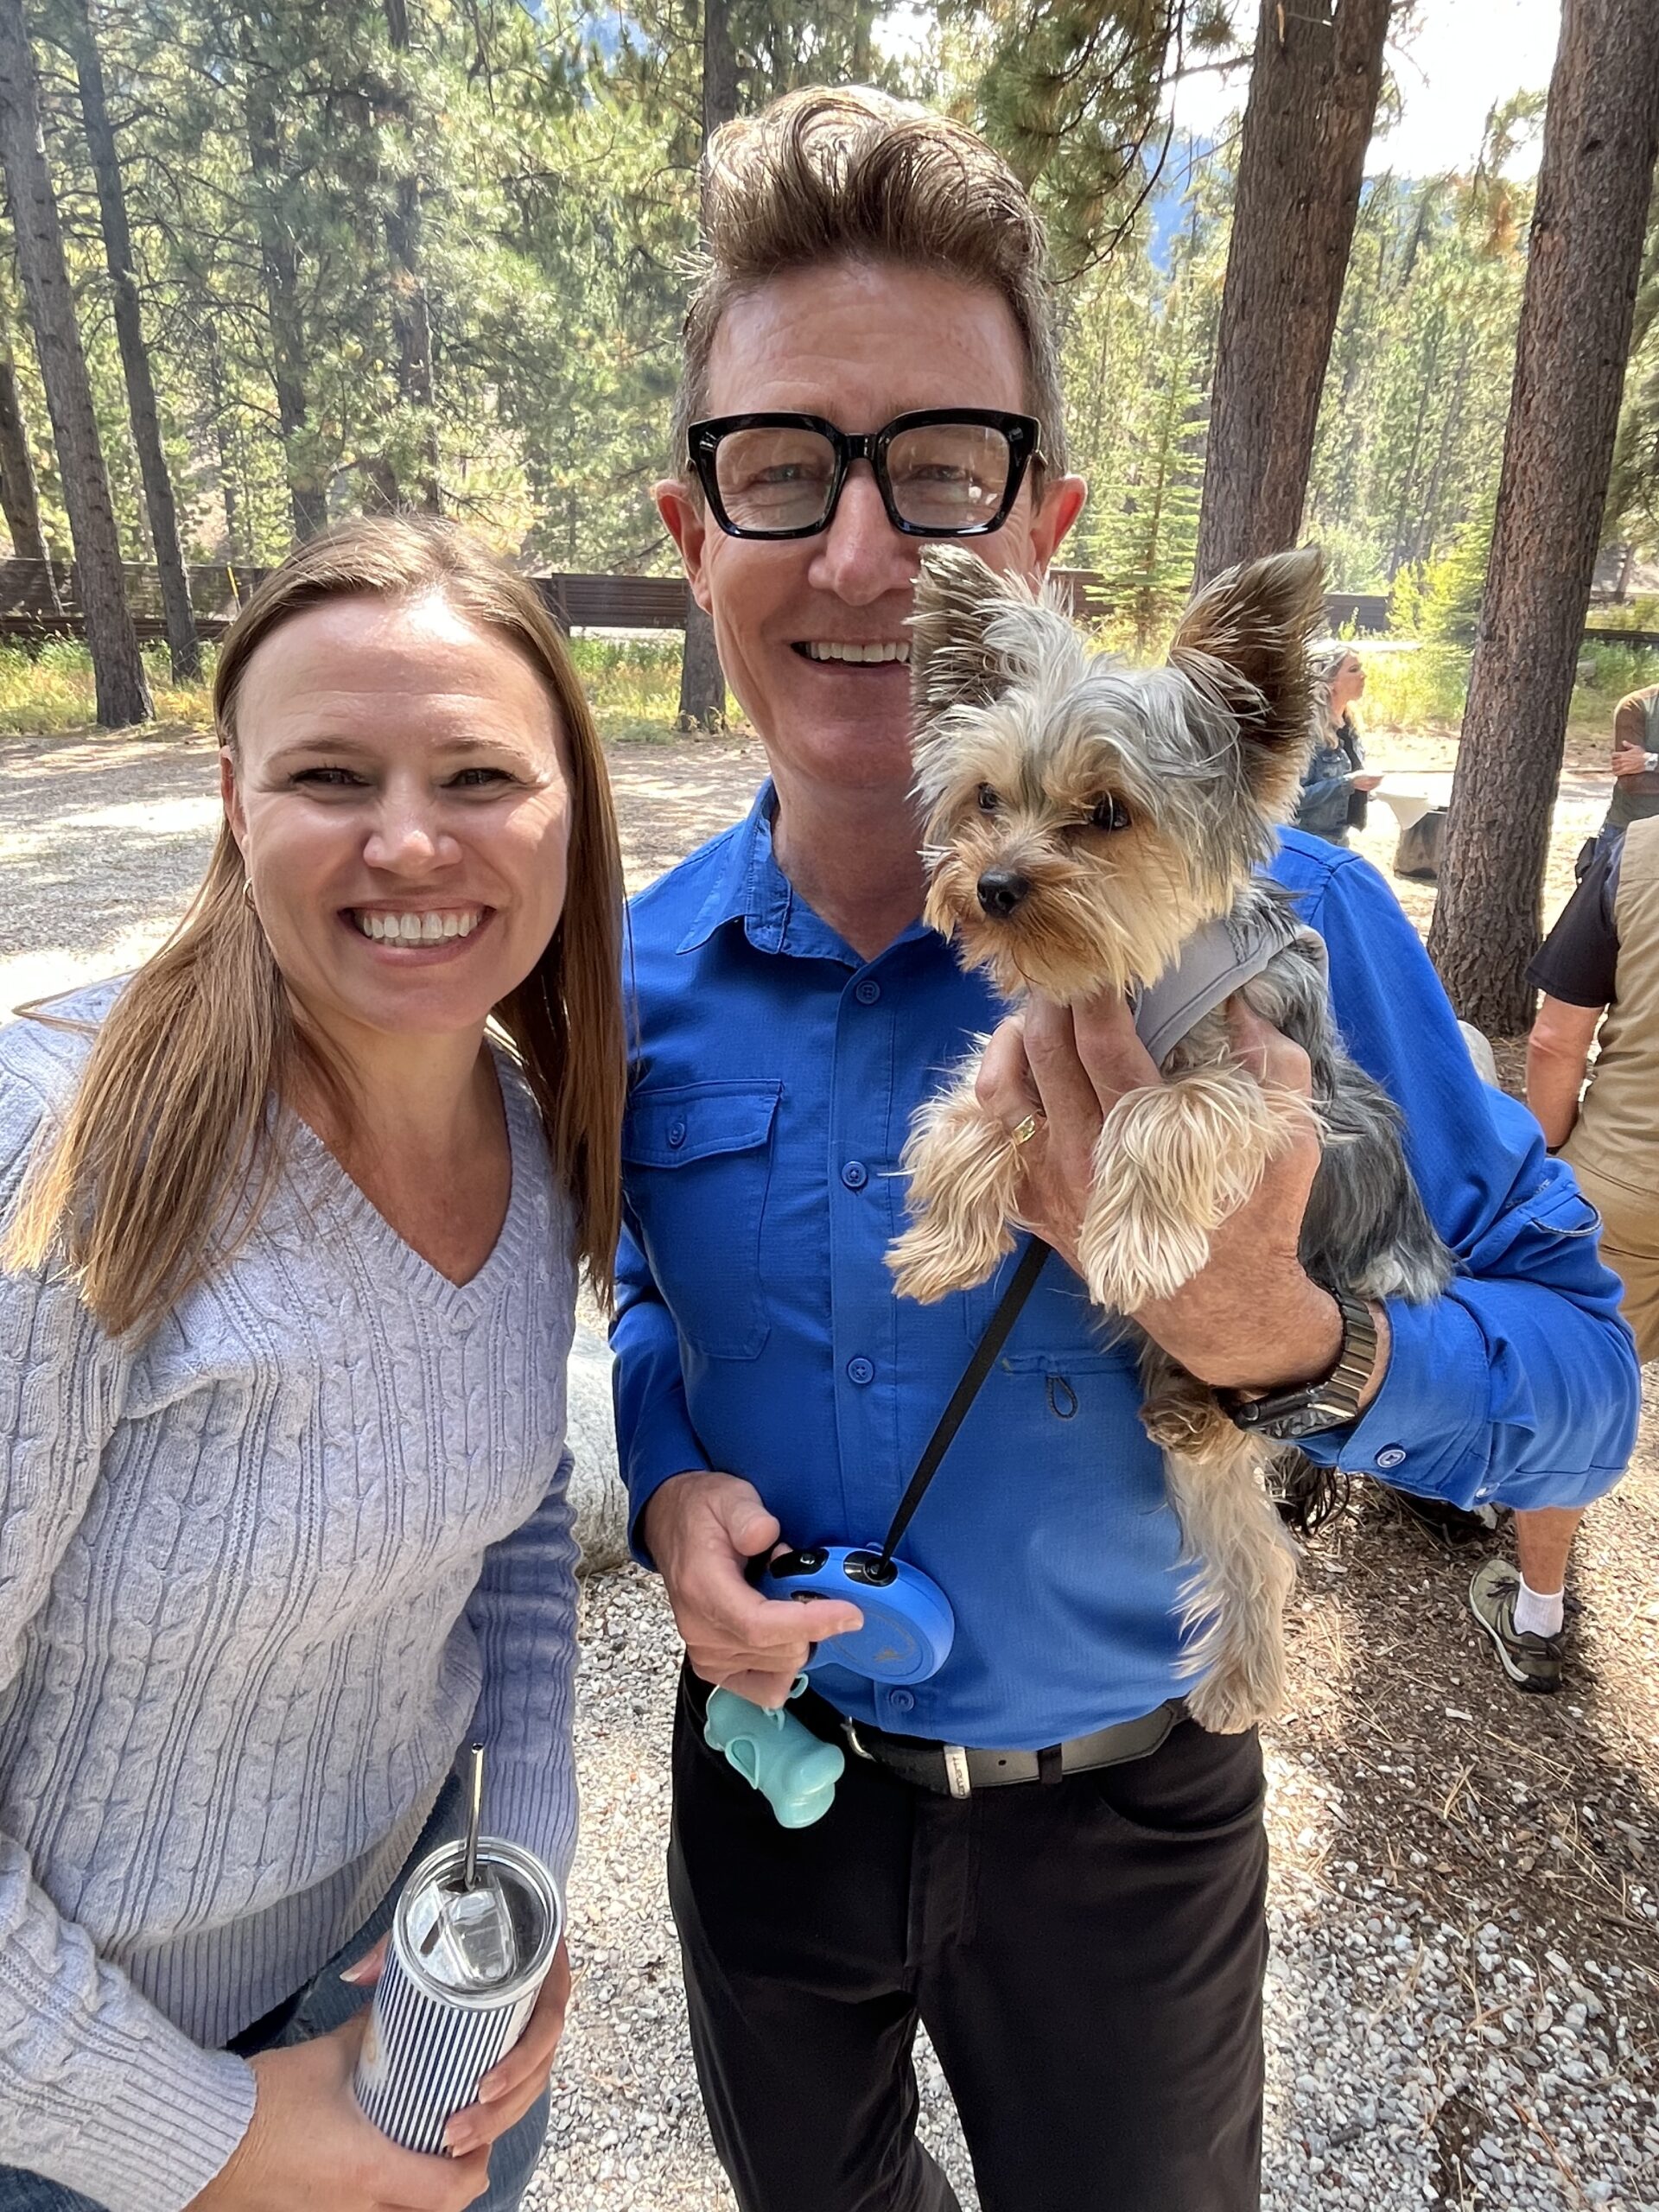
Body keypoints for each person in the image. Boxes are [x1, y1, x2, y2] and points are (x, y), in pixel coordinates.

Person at [612, 87, 1637, 2212]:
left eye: (943, 470)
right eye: (784, 467)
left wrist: (1296, 1343)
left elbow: (1581, 1384)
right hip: (769, 1786)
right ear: (692, 528)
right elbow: (644, 1291)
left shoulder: (1291, 939)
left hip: (1130, 1824)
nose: (865, 555)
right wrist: (657, 1473)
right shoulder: (630, 978)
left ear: (1042, 530)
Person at [0, 519, 626, 2212]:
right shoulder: (64, 1154)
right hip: (71, 2128)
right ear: (234, 800)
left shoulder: (527, 1133)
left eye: (479, 775)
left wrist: (518, 1861)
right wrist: (204, 2132)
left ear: (568, 805)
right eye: (331, 775)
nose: (409, 839)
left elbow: (514, 1521)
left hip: (412, 2013)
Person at [1475, 810, 1659, 1692]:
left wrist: (1548, 1150)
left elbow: (1555, 1039)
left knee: (1573, 1398)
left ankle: (1538, 1615)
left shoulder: (1639, 850)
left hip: (1626, 1179)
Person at [1293, 645, 1380, 846]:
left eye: (1361, 668)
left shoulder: (1349, 726)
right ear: (1329, 681)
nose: (1363, 675)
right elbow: (1292, 800)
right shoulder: (1307, 732)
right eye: (1354, 670)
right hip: (1306, 842)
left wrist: (1367, 788)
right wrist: (1347, 784)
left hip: (1339, 841)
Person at [1578, 680, 1659, 877]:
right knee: (1609, 897)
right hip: (1629, 836)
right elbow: (1632, 781)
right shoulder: (1637, 706)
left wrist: (1651, 761)